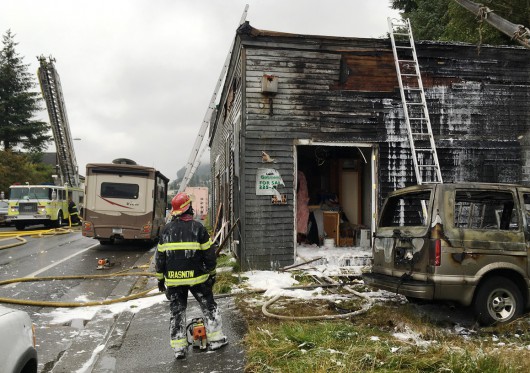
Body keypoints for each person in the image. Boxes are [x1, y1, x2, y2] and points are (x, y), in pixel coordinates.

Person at [155, 192, 228, 360]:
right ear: (188, 208)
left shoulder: (166, 230)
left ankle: (179, 348)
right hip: (198, 279)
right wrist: (212, 273)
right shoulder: (198, 228)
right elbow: (209, 255)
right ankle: (216, 339)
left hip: (174, 281)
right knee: (208, 306)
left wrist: (160, 278)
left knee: (177, 313)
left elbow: (160, 258)